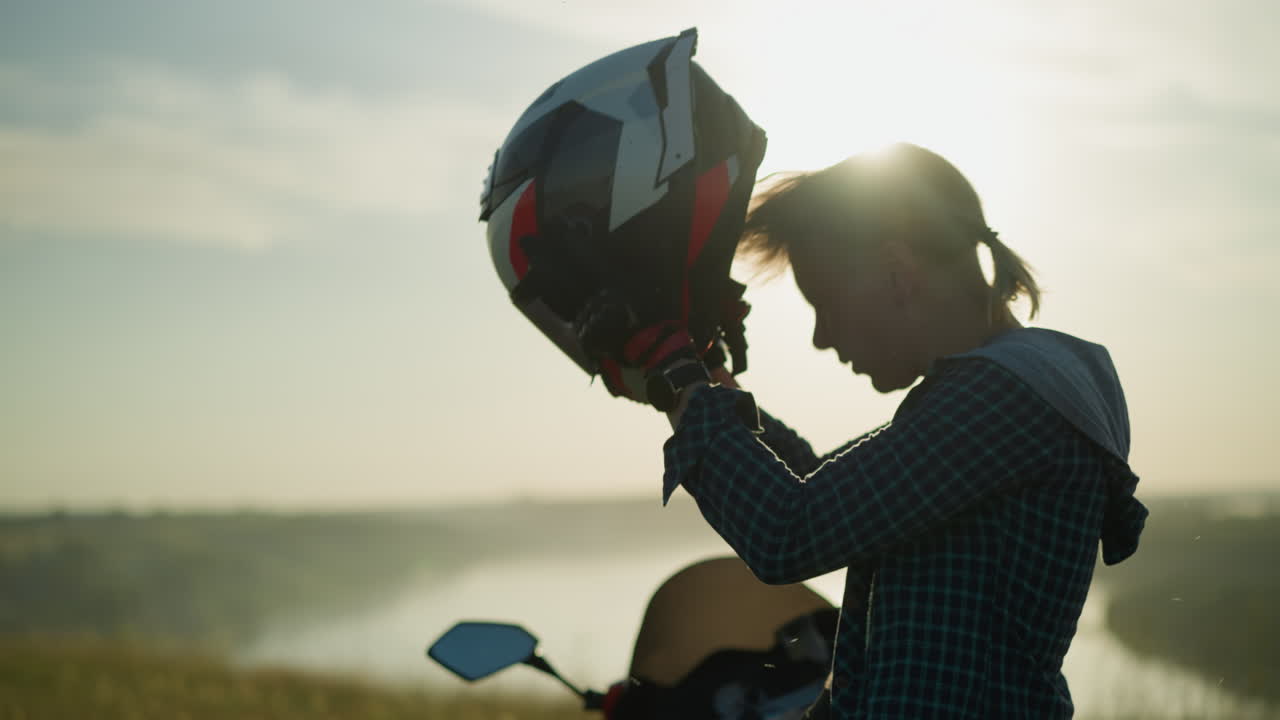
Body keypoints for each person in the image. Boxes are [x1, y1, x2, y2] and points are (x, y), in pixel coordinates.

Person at [628, 143, 1148, 718]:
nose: (822, 337)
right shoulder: (1006, 388)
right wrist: (710, 382)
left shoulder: (1003, 397)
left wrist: (675, 377)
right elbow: (818, 484)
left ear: (899, 275)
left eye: (823, 303)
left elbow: (788, 530)